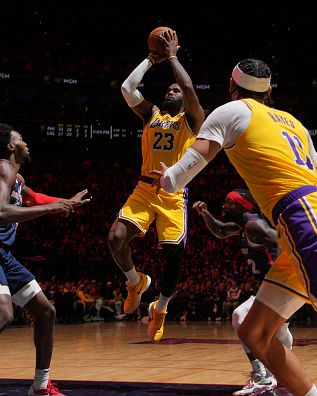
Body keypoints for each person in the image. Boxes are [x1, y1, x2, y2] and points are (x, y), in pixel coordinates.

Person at [153, 59, 317, 395]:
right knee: (255, 332)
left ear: (231, 85)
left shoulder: (232, 110)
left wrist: (167, 178)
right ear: (269, 90)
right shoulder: (294, 123)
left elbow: (188, 167)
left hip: (304, 218)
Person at [0, 124, 89, 396]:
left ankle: (40, 384)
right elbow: (0, 212)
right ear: (11, 147)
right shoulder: (2, 168)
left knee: (46, 312)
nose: (26, 142)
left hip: (3, 254)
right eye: (21, 138)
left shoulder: (17, 179)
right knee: (4, 313)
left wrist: (66, 201)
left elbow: (33, 198)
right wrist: (52, 208)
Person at [107, 28, 204, 341]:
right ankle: (136, 282)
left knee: (173, 258)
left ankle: (160, 308)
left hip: (174, 194)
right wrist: (151, 59)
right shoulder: (151, 114)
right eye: (169, 90)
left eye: (175, 91)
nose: (171, 92)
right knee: (115, 238)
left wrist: (173, 57)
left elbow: (189, 88)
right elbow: (127, 87)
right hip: (145, 189)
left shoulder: (191, 120)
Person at [194, 189, 292, 395]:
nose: (223, 206)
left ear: (242, 206)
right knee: (280, 334)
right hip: (276, 287)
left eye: (229, 203)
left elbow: (284, 240)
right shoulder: (243, 226)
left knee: (240, 315)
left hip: (279, 285)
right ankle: (280, 374)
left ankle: (262, 376)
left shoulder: (254, 225)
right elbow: (220, 231)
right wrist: (205, 214)